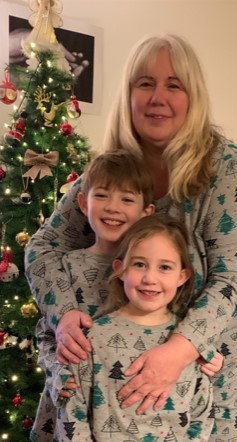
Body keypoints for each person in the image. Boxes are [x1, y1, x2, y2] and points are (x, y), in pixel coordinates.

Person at [25, 33, 237, 441]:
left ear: (193, 97)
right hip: (99, 380)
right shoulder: (108, 170)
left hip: (195, 378)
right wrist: (63, 314)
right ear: (129, 93)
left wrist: (180, 350)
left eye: (174, 85)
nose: (158, 97)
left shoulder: (225, 166)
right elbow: (43, 247)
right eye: (145, 83)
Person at [56, 215, 221, 441]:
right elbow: (73, 415)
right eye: (139, 264)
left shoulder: (191, 343)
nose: (150, 278)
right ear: (121, 269)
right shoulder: (92, 338)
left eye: (164, 267)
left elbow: (202, 414)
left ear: (182, 276)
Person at [29, 149, 155, 440]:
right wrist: (56, 371)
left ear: (146, 212)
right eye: (102, 196)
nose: (113, 207)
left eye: (127, 199)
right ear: (84, 204)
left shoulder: (150, 276)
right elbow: (46, 335)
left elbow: (170, 324)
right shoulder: (66, 268)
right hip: (71, 405)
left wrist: (204, 353)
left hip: (126, 409)